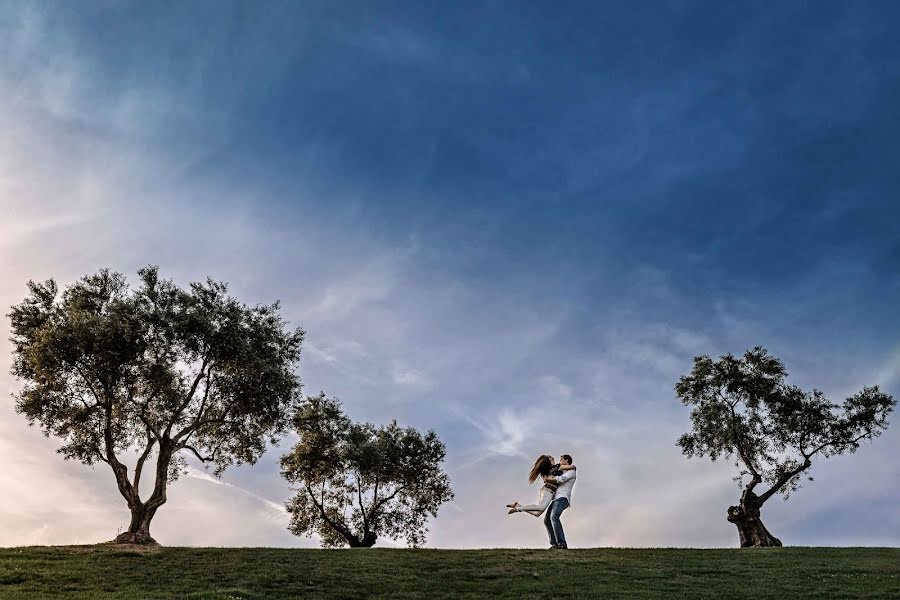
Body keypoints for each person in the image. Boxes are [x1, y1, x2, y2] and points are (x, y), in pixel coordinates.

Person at [506, 455, 576, 517]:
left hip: (546, 490)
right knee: (541, 507)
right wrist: (572, 467)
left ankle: (518, 506)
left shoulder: (548, 470)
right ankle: (518, 509)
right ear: (550, 461)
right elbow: (570, 467)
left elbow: (545, 479)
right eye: (551, 458)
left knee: (537, 514)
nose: (553, 457)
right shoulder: (557, 467)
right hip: (548, 491)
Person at [542, 453, 576, 549]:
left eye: (561, 459)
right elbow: (554, 472)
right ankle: (554, 544)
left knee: (554, 516)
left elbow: (560, 480)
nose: (560, 461)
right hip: (556, 498)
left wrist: (547, 479)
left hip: (562, 498)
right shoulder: (560, 471)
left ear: (566, 461)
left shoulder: (572, 471)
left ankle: (562, 543)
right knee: (547, 520)